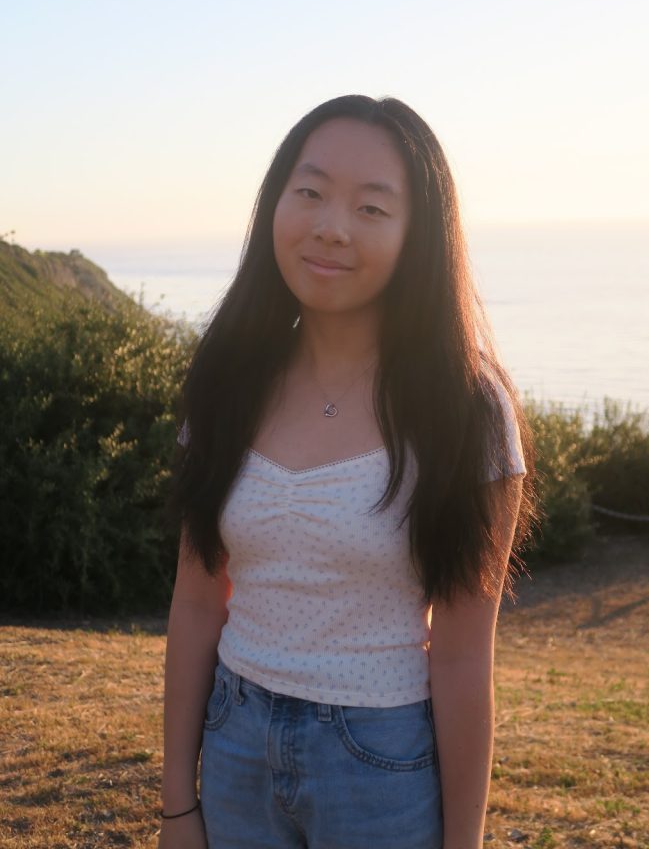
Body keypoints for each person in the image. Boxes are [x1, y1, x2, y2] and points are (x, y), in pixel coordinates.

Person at [158, 94, 537, 849]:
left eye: (371, 208)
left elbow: (463, 653)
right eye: (310, 192)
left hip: (379, 762)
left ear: (417, 236)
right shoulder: (229, 379)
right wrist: (177, 806)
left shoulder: (467, 409)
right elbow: (197, 602)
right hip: (233, 743)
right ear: (276, 203)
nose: (332, 226)